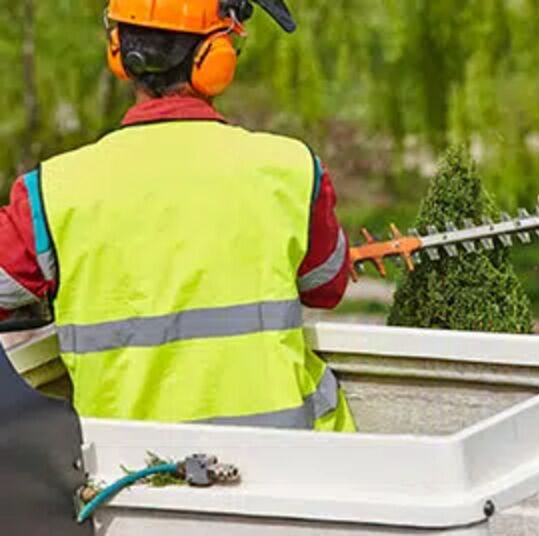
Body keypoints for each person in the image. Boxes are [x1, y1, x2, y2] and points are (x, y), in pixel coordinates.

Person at [0, 0, 356, 432]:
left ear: (117, 50)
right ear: (217, 59)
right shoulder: (291, 168)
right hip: (284, 456)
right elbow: (327, 285)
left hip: (123, 463)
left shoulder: (52, 189)